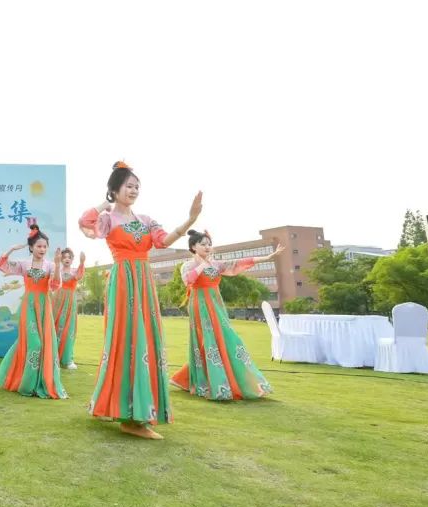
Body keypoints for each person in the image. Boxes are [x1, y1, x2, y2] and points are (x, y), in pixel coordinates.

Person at [78, 162, 202, 440]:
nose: (134, 190)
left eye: (137, 187)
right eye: (128, 186)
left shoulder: (146, 220)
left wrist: (190, 220)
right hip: (123, 280)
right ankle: (130, 418)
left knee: (145, 338)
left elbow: (164, 241)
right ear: (115, 189)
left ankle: (131, 411)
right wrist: (105, 203)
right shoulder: (108, 219)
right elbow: (85, 223)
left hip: (143, 281)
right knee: (126, 339)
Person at [169, 230, 282, 400]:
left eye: (209, 244)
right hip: (200, 304)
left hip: (216, 304)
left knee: (225, 337)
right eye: (203, 244)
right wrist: (202, 265)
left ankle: (195, 378)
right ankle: (210, 382)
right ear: (193, 246)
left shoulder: (217, 265)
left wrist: (268, 257)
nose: (207, 247)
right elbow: (188, 281)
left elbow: (238, 263)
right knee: (207, 340)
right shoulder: (188, 265)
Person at [0, 219, 67, 399]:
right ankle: (26, 383)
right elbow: (1, 265)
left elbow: (55, 285)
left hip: (44, 306)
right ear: (32, 247)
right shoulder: (24, 265)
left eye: (45, 247)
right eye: (39, 246)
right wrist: (11, 250)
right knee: (35, 344)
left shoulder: (50, 265)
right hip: (28, 306)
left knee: (43, 344)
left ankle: (37, 383)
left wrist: (58, 265)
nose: (42, 249)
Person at [53, 247, 85, 370]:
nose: (67, 259)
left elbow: (79, 276)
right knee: (55, 326)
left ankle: (67, 359)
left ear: (72, 259)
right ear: (61, 259)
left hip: (70, 302)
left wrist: (82, 262)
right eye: (64, 257)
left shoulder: (75, 271)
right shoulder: (57, 271)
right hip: (57, 300)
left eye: (69, 257)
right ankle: (52, 357)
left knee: (69, 328)